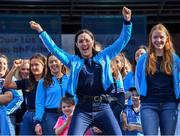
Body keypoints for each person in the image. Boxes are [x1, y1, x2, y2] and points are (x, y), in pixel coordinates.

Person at [30, 6, 132, 135]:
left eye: (87, 40)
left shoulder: (104, 56)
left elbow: (122, 40)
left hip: (103, 107)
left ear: (92, 42)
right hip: (83, 109)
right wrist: (40, 31)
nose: (84, 43)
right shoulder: (73, 61)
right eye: (81, 41)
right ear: (77, 45)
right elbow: (54, 49)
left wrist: (127, 22)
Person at [135, 24, 180, 135]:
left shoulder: (175, 59)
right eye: (155, 37)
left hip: (170, 104)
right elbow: (137, 78)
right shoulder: (143, 59)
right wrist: (141, 94)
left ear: (167, 39)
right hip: (148, 104)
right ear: (151, 39)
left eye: (161, 37)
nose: (158, 40)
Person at [4, 53, 47, 135]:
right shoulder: (27, 82)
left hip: (44, 115)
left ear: (44, 66)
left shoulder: (49, 82)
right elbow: (7, 84)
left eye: (36, 65)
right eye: (32, 65)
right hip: (28, 115)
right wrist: (14, 68)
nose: (33, 67)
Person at [34, 54, 69, 135]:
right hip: (50, 116)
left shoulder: (70, 79)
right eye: (51, 62)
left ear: (62, 62)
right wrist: (37, 122)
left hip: (68, 114)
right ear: (48, 65)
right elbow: (39, 103)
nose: (53, 64)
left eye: (56, 61)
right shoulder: (43, 82)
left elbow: (75, 98)